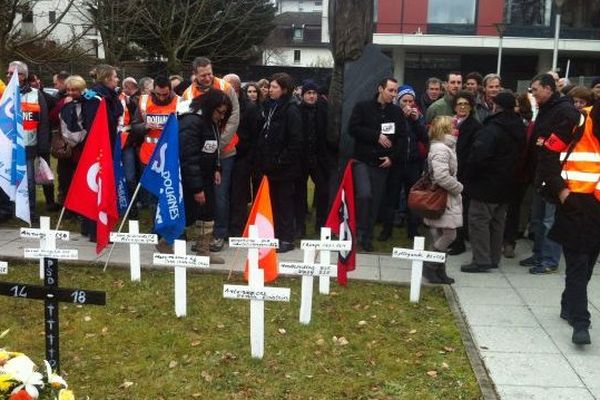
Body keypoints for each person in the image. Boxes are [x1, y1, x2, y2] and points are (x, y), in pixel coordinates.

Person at [535, 95, 600, 345]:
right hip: (574, 204)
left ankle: (567, 304)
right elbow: (548, 156)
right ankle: (580, 322)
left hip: (596, 207)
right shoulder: (576, 119)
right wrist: (563, 192)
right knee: (577, 264)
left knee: (588, 264)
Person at [520, 74, 580, 274]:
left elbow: (558, 143)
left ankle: (549, 260)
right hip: (540, 171)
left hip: (554, 175)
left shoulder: (564, 110)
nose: (533, 94)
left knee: (549, 220)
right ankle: (538, 254)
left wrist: (544, 144)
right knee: (537, 218)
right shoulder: (545, 108)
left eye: (535, 89)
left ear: (548, 88)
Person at [461, 91, 526, 273]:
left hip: (486, 184)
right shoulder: (518, 127)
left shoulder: (491, 129)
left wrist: (469, 176)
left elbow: (478, 157)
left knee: (479, 221)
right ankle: (493, 258)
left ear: (497, 106)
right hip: (507, 184)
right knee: (498, 223)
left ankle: (481, 260)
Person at [183, 57, 240, 253]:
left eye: (210, 73)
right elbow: (187, 123)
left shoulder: (226, 86)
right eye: (203, 75)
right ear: (195, 74)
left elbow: (233, 117)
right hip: (201, 154)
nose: (207, 78)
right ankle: (202, 238)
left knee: (220, 194)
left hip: (225, 150)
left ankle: (219, 234)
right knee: (202, 196)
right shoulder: (188, 93)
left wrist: (219, 144)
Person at [349, 77, 407, 252]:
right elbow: (353, 128)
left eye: (395, 91)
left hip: (382, 164)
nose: (393, 94)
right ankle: (358, 231)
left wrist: (392, 158)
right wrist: (376, 136)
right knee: (364, 195)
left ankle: (366, 237)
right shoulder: (363, 107)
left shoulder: (396, 112)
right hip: (363, 161)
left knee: (375, 201)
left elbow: (402, 138)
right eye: (391, 90)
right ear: (380, 89)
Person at [179, 89, 232, 264]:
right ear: (210, 107)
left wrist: (217, 167)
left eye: (225, 113)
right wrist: (196, 188)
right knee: (189, 212)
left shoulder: (211, 121)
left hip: (207, 174)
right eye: (220, 112)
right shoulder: (191, 122)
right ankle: (166, 241)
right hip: (192, 176)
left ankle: (203, 250)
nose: (222, 117)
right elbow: (189, 157)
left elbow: (212, 146)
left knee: (207, 211)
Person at [255, 73, 303, 253]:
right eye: (270, 87)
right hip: (269, 165)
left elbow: (295, 141)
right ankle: (273, 234)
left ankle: (287, 239)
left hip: (284, 168)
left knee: (284, 203)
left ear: (284, 90)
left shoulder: (291, 110)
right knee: (273, 202)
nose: (270, 90)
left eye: (274, 87)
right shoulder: (270, 107)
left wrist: (280, 160)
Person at [2, 61, 51, 223]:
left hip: (29, 146)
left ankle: (30, 211)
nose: (8, 76)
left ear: (23, 76)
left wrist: (43, 148)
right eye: (8, 73)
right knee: (5, 178)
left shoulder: (36, 94)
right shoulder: (4, 94)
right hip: (7, 146)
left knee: (28, 181)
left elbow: (44, 123)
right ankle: (6, 210)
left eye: (12, 73)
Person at [80, 64, 124, 241]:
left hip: (109, 145)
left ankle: (93, 227)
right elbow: (93, 125)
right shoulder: (95, 98)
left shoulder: (110, 96)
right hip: (98, 149)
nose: (117, 79)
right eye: (115, 77)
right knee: (96, 187)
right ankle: (94, 229)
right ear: (106, 79)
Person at [379, 84, 427, 241]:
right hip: (396, 163)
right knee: (391, 197)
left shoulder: (417, 116)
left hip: (413, 163)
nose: (408, 104)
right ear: (398, 101)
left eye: (410, 101)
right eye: (404, 101)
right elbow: (388, 135)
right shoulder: (392, 114)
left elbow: (424, 137)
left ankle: (413, 230)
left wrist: (415, 120)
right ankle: (387, 229)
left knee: (412, 198)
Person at [422, 116, 461, 284]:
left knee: (439, 233)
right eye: (452, 126)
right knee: (449, 234)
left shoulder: (446, 146)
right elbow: (441, 176)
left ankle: (438, 271)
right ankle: (430, 266)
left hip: (443, 197)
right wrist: (458, 187)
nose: (455, 129)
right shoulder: (441, 149)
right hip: (443, 197)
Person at [294, 79, 335, 237]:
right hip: (301, 158)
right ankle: (300, 226)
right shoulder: (297, 110)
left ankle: (321, 224)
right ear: (303, 95)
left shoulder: (324, 110)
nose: (312, 96)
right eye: (309, 93)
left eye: (314, 93)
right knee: (299, 193)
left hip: (319, 158)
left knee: (323, 191)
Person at [447, 90, 483, 256]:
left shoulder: (475, 126)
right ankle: (450, 238)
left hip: (463, 173)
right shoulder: (449, 123)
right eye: (459, 104)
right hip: (449, 171)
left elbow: (473, 153)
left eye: (466, 104)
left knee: (460, 209)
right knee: (450, 208)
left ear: (471, 107)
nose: (462, 107)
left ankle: (459, 242)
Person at [225, 74, 261, 238]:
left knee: (239, 195)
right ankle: (224, 226)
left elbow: (255, 136)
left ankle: (236, 229)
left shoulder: (250, 108)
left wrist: (250, 159)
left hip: (242, 156)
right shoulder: (222, 104)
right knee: (224, 193)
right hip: (225, 154)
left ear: (237, 88)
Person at [502, 93, 535, 258]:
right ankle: (501, 242)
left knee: (513, 210)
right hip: (503, 173)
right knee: (501, 210)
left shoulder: (528, 126)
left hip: (519, 174)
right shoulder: (501, 124)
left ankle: (509, 242)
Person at [55, 75, 88, 208]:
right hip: (66, 147)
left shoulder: (88, 103)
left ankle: (79, 207)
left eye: (74, 90)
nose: (70, 93)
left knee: (80, 179)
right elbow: (52, 117)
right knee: (64, 179)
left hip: (81, 146)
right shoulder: (63, 102)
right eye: (68, 90)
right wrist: (63, 105)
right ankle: (67, 207)